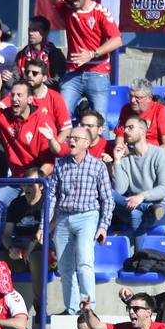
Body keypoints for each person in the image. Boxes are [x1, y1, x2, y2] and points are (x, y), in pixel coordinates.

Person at [37, 0, 123, 118]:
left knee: (100, 121)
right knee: (62, 117)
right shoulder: (68, 9)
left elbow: (117, 40)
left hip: (97, 72)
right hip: (73, 74)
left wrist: (92, 54)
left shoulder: (100, 12)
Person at [43, 126, 110, 313]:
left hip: (88, 216)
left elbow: (107, 199)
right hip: (64, 217)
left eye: (77, 138)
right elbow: (52, 198)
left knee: (84, 261)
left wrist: (103, 226)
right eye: (70, 137)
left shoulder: (98, 166)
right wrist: (44, 225)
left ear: (87, 143)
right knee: (64, 267)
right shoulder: (60, 164)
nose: (71, 141)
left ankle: (89, 307)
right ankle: (71, 308)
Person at [112, 115, 165, 240]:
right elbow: (119, 189)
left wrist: (141, 197)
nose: (125, 131)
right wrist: (117, 161)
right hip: (137, 206)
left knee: (138, 213)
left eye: (130, 128)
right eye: (125, 128)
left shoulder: (160, 154)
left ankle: (137, 257)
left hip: (162, 208)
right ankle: (139, 257)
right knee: (108, 192)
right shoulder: (126, 159)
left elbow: (164, 188)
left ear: (143, 131)